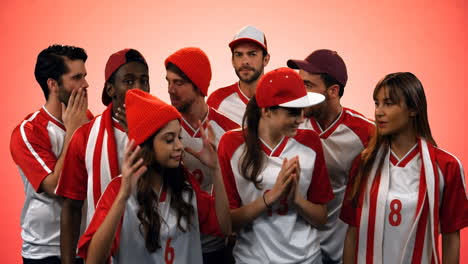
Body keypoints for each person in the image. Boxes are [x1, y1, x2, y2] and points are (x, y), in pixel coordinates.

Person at [76, 89, 231, 264]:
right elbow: (94, 260)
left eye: (179, 137)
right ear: (147, 145)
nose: (179, 146)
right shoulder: (118, 189)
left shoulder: (185, 183)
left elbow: (225, 227)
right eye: (169, 139)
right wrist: (122, 197)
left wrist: (216, 169)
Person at [340, 72, 468, 264]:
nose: (378, 112)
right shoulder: (364, 163)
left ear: (413, 109)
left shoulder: (446, 166)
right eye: (377, 103)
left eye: (389, 103)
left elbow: (451, 237)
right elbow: (352, 232)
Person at [218, 67, 334, 263]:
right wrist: (271, 197)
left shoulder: (311, 142)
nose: (301, 119)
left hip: (307, 258)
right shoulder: (231, 144)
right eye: (292, 113)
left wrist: (296, 199)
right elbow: (227, 224)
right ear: (266, 111)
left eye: (302, 111)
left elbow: (322, 219)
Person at [55, 48, 150, 264]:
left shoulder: (163, 132)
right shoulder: (85, 136)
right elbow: (71, 208)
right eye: (128, 81)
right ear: (110, 88)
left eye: (144, 81)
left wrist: (139, 135)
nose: (138, 88)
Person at [287, 49, 374, 263]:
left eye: (308, 86)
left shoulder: (366, 133)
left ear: (333, 91)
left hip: (339, 251)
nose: (300, 93)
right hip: (295, 251)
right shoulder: (289, 126)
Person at [10, 44, 92, 263]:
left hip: (87, 245)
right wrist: (73, 132)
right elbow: (57, 186)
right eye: (77, 78)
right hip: (45, 251)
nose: (85, 84)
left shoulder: (89, 120)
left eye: (84, 76)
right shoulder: (28, 132)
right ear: (53, 84)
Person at [165, 47, 239, 262]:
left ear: (198, 86)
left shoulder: (229, 131)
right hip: (173, 243)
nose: (170, 89)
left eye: (178, 83)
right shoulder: (163, 126)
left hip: (216, 246)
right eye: (168, 81)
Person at [207, 25, 270, 124]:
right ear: (232, 60)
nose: (245, 61)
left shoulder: (282, 100)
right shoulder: (217, 101)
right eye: (239, 55)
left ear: (266, 59)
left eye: (252, 54)